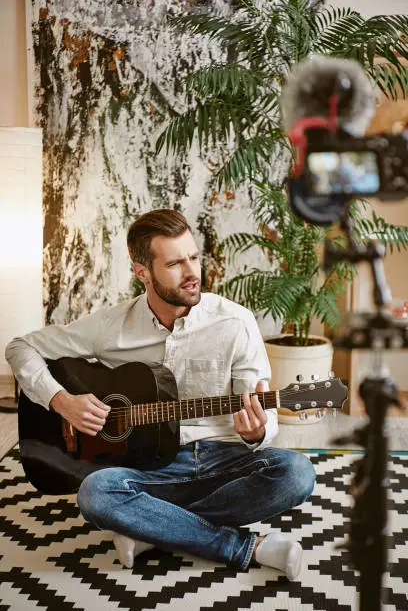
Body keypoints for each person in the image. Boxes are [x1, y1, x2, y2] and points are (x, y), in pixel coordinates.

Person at [5, 209, 315, 580]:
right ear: (142, 273)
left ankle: (152, 528)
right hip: (147, 465)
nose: (192, 272)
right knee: (94, 492)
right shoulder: (110, 326)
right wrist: (62, 401)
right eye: (174, 263)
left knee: (296, 473)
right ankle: (244, 547)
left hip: (221, 459)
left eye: (194, 258)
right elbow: (20, 347)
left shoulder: (235, 323)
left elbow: (265, 419)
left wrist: (256, 432)